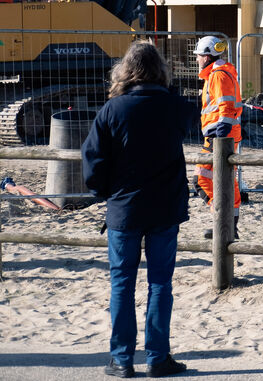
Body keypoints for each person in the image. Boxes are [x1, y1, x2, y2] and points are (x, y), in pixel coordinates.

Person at [81, 41, 190, 378]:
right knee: (160, 283)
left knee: (122, 283)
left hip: (124, 208)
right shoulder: (175, 107)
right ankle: (158, 357)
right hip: (165, 207)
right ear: (160, 70)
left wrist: (103, 192)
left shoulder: (112, 110)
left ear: (125, 71)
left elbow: (92, 160)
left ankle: (122, 359)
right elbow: (194, 124)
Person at [194, 34, 242, 238]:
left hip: (220, 137)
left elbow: (226, 106)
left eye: (198, 55)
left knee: (200, 180)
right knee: (227, 180)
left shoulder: (218, 75)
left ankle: (223, 220)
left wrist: (220, 133)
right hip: (223, 135)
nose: (197, 59)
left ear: (206, 57)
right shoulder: (218, 73)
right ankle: (229, 226)